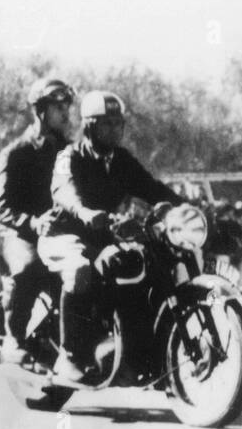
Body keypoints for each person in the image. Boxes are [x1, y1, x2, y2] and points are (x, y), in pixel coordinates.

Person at [38, 90, 182, 383]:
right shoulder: (69, 156)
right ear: (89, 126)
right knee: (79, 269)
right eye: (107, 124)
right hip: (64, 234)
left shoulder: (121, 160)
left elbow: (151, 188)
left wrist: (188, 208)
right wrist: (83, 211)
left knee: (146, 263)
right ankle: (70, 356)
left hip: (102, 236)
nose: (115, 130)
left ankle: (136, 353)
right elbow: (64, 190)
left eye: (119, 124)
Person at [0, 77, 76, 364]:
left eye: (67, 106)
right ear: (40, 110)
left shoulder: (70, 152)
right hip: (24, 237)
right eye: (58, 106)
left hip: (63, 235)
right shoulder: (15, 153)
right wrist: (34, 223)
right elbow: (0, 207)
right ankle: (14, 338)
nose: (65, 112)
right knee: (28, 270)